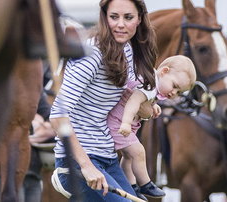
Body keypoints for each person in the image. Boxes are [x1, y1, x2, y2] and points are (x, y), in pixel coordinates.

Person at [49, 0, 158, 201]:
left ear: (140, 19)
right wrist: (87, 167)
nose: (120, 25)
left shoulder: (128, 50)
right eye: (114, 17)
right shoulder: (92, 54)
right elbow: (57, 115)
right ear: (104, 18)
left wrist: (150, 103)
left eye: (128, 17)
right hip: (77, 163)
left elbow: (129, 96)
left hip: (108, 157)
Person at [107, 55, 196, 200]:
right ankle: (145, 184)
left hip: (121, 123)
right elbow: (133, 102)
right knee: (138, 152)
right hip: (118, 123)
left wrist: (153, 105)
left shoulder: (154, 88)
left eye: (179, 92)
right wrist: (126, 123)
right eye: (174, 86)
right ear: (164, 72)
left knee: (128, 156)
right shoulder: (149, 84)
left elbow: (144, 99)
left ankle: (131, 186)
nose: (174, 93)